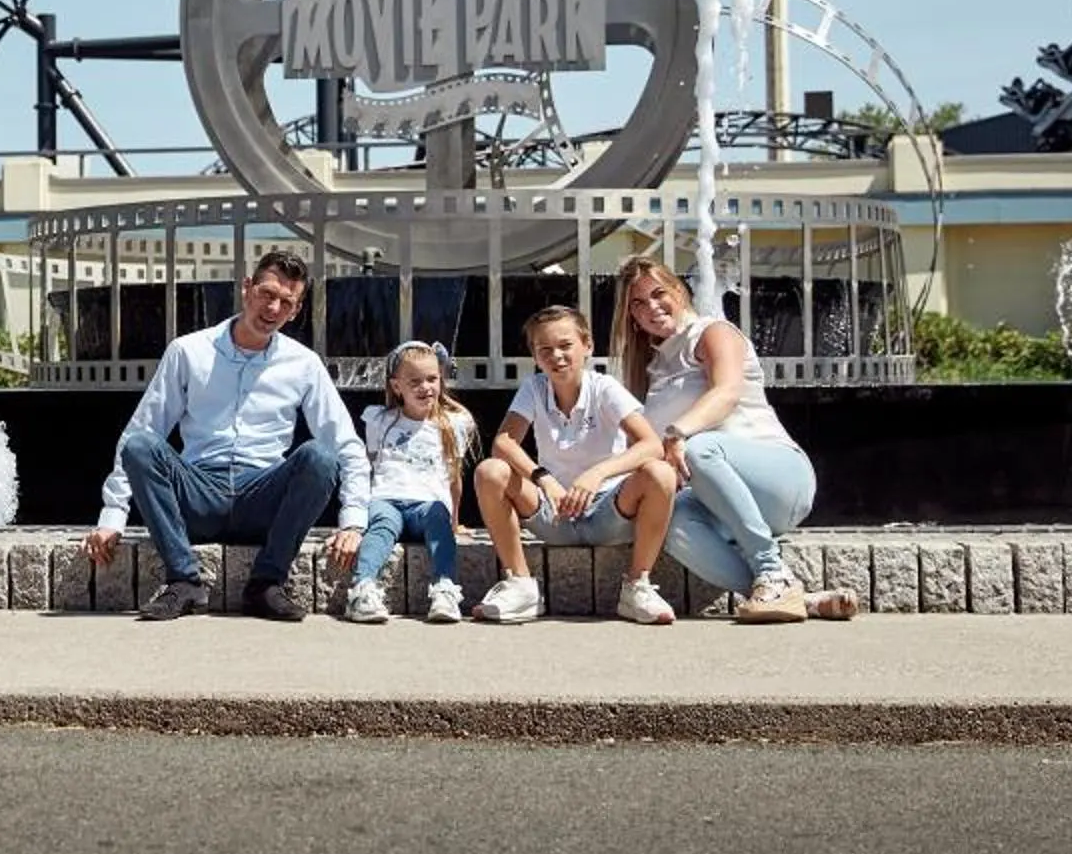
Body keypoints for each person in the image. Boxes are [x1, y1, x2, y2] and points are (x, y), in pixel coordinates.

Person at [85, 249, 370, 622]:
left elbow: (345, 444)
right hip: (198, 492)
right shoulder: (188, 351)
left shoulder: (304, 363)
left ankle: (267, 584)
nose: (273, 308)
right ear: (246, 288)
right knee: (141, 446)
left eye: (286, 302)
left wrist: (352, 521)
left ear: (296, 311)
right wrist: (112, 518)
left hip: (263, 496)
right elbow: (143, 429)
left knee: (320, 457)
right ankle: (183, 582)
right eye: (267, 293)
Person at [611, 253, 857, 625]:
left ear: (680, 290)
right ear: (631, 315)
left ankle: (771, 570)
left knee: (697, 447)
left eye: (659, 294)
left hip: (778, 477)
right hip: (720, 500)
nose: (652, 307)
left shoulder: (713, 332)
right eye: (639, 303)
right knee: (667, 520)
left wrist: (678, 433)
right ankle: (793, 597)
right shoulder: (655, 364)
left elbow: (725, 394)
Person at [471, 303, 683, 625]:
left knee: (660, 473)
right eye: (545, 349)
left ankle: (637, 585)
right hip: (552, 510)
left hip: (606, 510)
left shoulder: (604, 388)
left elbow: (651, 444)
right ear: (535, 356)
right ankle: (521, 584)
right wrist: (543, 477)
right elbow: (503, 442)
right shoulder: (534, 388)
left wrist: (596, 475)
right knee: (490, 471)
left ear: (587, 345)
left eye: (566, 345)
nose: (556, 355)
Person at [342, 341, 478, 626]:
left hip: (428, 503)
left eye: (432, 379)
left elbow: (454, 478)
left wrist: (455, 519)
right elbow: (368, 464)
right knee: (380, 528)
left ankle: (445, 588)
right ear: (396, 386)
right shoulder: (380, 420)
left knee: (438, 521)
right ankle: (362, 588)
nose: (425, 387)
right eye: (414, 381)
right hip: (386, 498)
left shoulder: (452, 423)